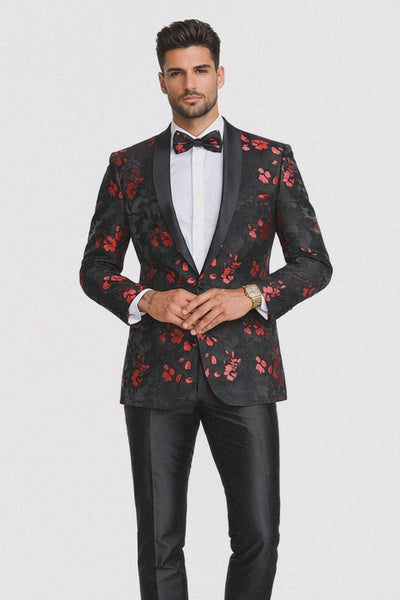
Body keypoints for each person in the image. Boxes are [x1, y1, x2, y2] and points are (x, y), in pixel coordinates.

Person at [80, 18, 332, 600]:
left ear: (220, 74)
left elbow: (314, 263)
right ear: (161, 81)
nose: (189, 83)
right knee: (159, 544)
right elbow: (95, 266)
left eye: (199, 70)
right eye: (176, 73)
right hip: (155, 374)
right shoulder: (127, 165)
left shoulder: (271, 159)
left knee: (259, 536)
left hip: (246, 372)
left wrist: (251, 296)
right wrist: (146, 299)